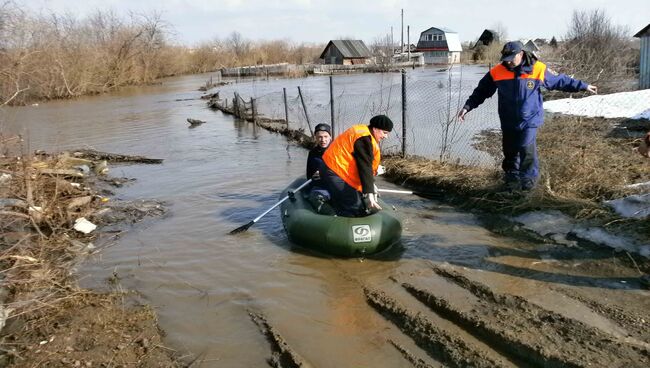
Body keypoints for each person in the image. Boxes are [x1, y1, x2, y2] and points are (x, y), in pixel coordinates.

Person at [458, 41, 598, 191]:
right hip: (508, 119)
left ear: (521, 54)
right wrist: (467, 107)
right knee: (510, 152)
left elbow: (560, 81)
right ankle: (511, 184)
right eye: (506, 58)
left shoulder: (537, 68)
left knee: (526, 149)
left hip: (530, 119)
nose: (509, 62)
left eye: (512, 58)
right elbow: (482, 91)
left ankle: (528, 187)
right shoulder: (497, 72)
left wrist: (583, 85)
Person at [320, 115, 393, 217]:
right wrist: (370, 193)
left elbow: (361, 164)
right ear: (375, 128)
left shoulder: (363, 133)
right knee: (354, 206)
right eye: (384, 133)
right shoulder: (364, 138)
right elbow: (365, 166)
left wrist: (370, 185)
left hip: (333, 168)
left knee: (353, 201)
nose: (386, 136)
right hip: (335, 171)